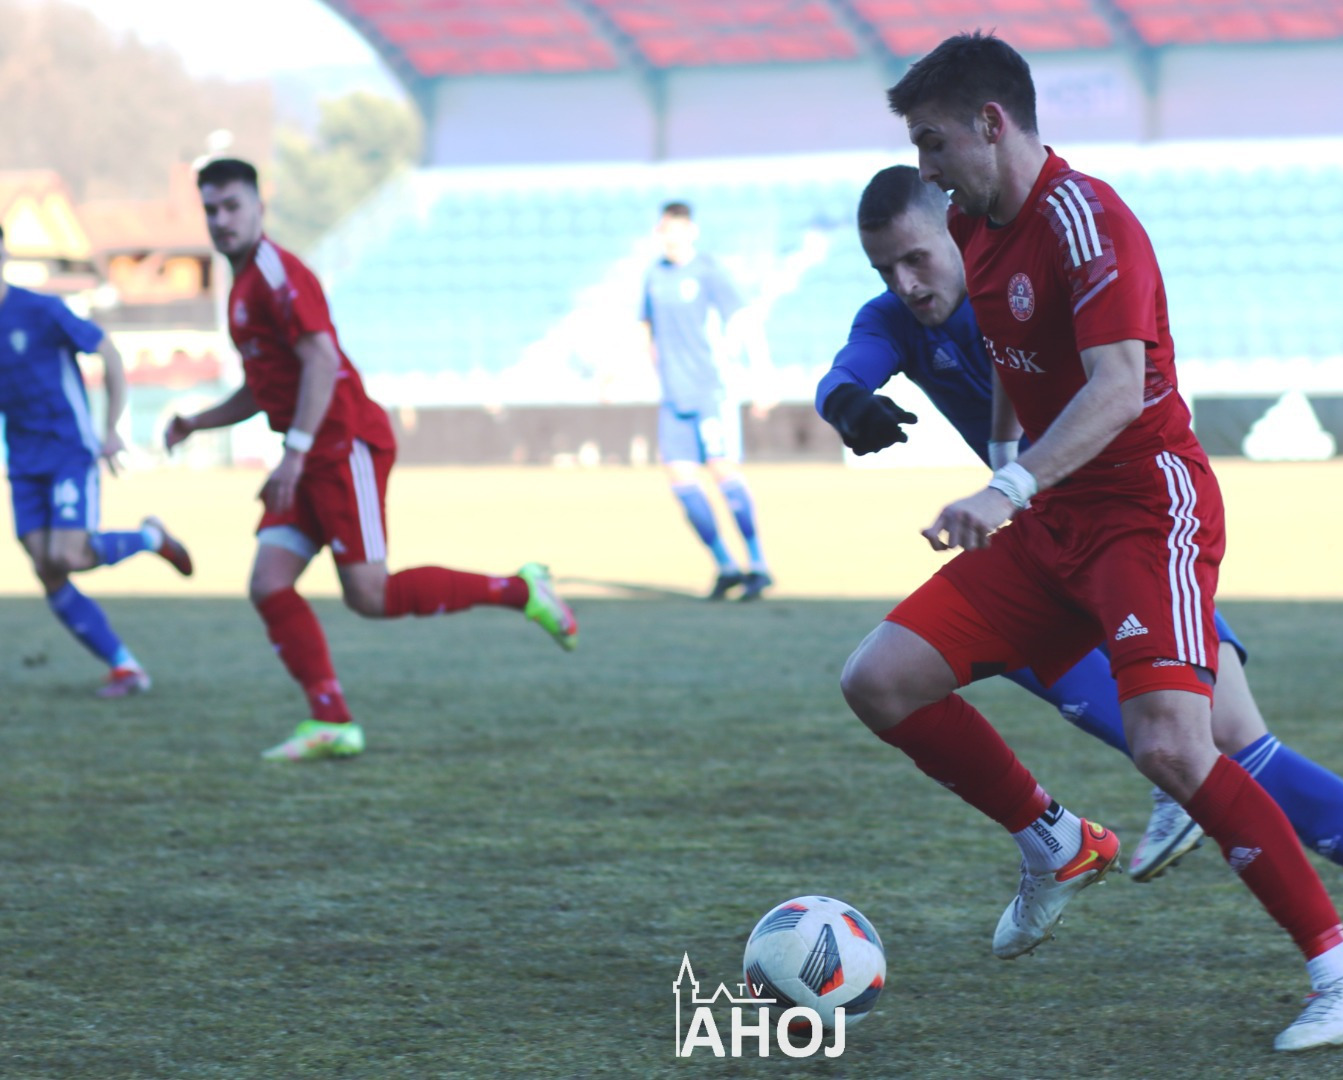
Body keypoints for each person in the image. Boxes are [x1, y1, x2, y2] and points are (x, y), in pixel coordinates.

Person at [839, 33, 1343, 1051]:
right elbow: (1010, 356)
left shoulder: (1088, 221)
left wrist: (1003, 485)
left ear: (990, 124)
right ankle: (1054, 840)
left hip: (1145, 512)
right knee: (878, 680)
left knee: (1173, 747)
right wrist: (1006, 464)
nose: (923, 166)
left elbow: (1116, 388)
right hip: (1048, 521)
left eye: (931, 142)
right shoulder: (970, 225)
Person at [819, 163, 1343, 981]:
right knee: (1186, 740)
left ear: (956, 233)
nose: (905, 282)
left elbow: (1119, 383)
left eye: (916, 258)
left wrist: (1009, 477)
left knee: (1230, 746)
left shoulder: (1027, 280)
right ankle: (1071, 837)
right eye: (884, 269)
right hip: (1048, 548)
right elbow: (849, 363)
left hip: (1133, 537)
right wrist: (844, 401)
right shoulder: (899, 319)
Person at [167, 158, 578, 762]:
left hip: (342, 445)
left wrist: (296, 453)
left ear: (260, 206)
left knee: (371, 595)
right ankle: (331, 720)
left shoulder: (280, 274)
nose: (222, 220)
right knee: (269, 583)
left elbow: (322, 361)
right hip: (307, 453)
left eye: (232, 206)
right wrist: (197, 422)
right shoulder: (243, 287)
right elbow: (266, 385)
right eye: (211, 209)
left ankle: (522, 590)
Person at [0, 225, 194, 697]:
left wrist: (110, 428)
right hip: (22, 460)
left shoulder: (39, 310)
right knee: (47, 568)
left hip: (68, 448)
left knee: (66, 555)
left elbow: (107, 351)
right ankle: (125, 667)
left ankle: (151, 537)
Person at [640, 201, 771, 601]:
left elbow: (743, 321)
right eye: (664, 229)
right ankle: (725, 566)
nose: (669, 236)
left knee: (722, 472)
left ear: (691, 231)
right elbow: (646, 329)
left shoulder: (708, 271)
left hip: (712, 391)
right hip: (673, 396)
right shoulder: (654, 276)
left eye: (675, 228)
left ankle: (758, 565)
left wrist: (761, 379)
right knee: (681, 481)